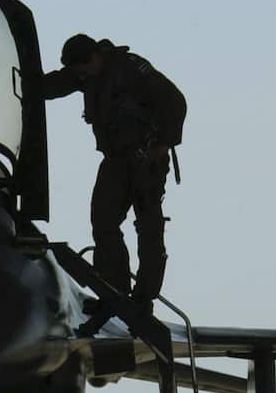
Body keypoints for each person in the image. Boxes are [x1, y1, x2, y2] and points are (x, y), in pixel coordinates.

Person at [42, 34, 186, 318]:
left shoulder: (131, 69)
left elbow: (175, 102)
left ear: (96, 56)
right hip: (116, 162)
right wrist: (23, 83)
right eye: (77, 71)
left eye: (82, 68)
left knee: (148, 228)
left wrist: (161, 146)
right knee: (103, 221)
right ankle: (114, 294)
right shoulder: (86, 75)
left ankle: (143, 300)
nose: (80, 75)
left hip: (146, 161)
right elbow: (56, 84)